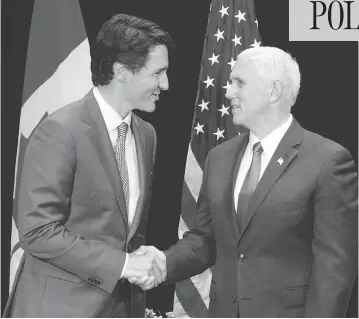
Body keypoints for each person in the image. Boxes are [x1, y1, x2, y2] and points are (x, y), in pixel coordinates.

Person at [133, 46, 358, 317]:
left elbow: (335, 268)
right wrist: (165, 262)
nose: (228, 92)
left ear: (274, 91)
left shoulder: (328, 161)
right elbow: (205, 240)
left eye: (239, 82)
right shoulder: (219, 157)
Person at [4, 13, 173, 318]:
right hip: (61, 309)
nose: (166, 84)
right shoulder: (60, 130)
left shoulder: (147, 134)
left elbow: (123, 230)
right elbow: (38, 231)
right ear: (121, 71)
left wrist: (141, 259)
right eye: (158, 73)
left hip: (122, 308)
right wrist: (123, 264)